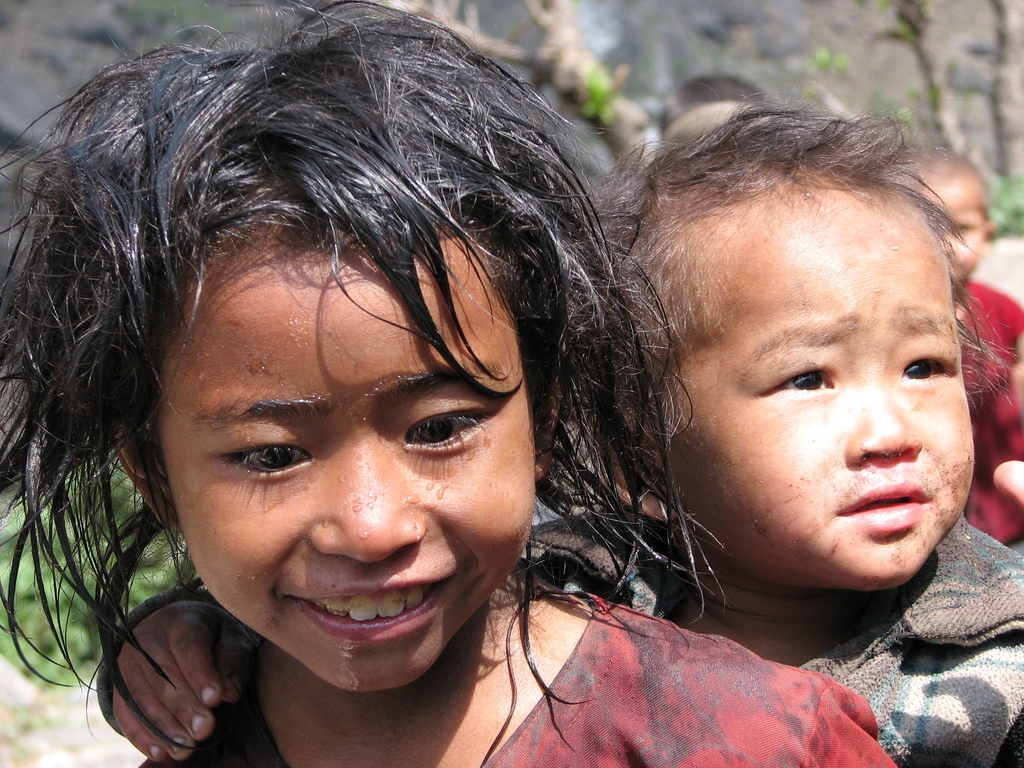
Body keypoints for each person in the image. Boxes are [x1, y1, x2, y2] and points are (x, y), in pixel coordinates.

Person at [0, 5, 896, 767]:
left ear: (542, 416)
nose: (372, 526)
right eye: (270, 455)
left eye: (439, 428)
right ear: (158, 479)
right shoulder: (195, 739)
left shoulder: (750, 741)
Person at [599, 107, 1024, 767]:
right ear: (640, 443)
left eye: (922, 367)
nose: (890, 434)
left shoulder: (1004, 650)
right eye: (808, 379)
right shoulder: (558, 621)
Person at [918, 149, 1024, 549]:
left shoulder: (1004, 311)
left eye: (961, 228)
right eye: (930, 226)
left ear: (988, 235)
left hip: (1005, 495)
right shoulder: (893, 322)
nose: (946, 244)